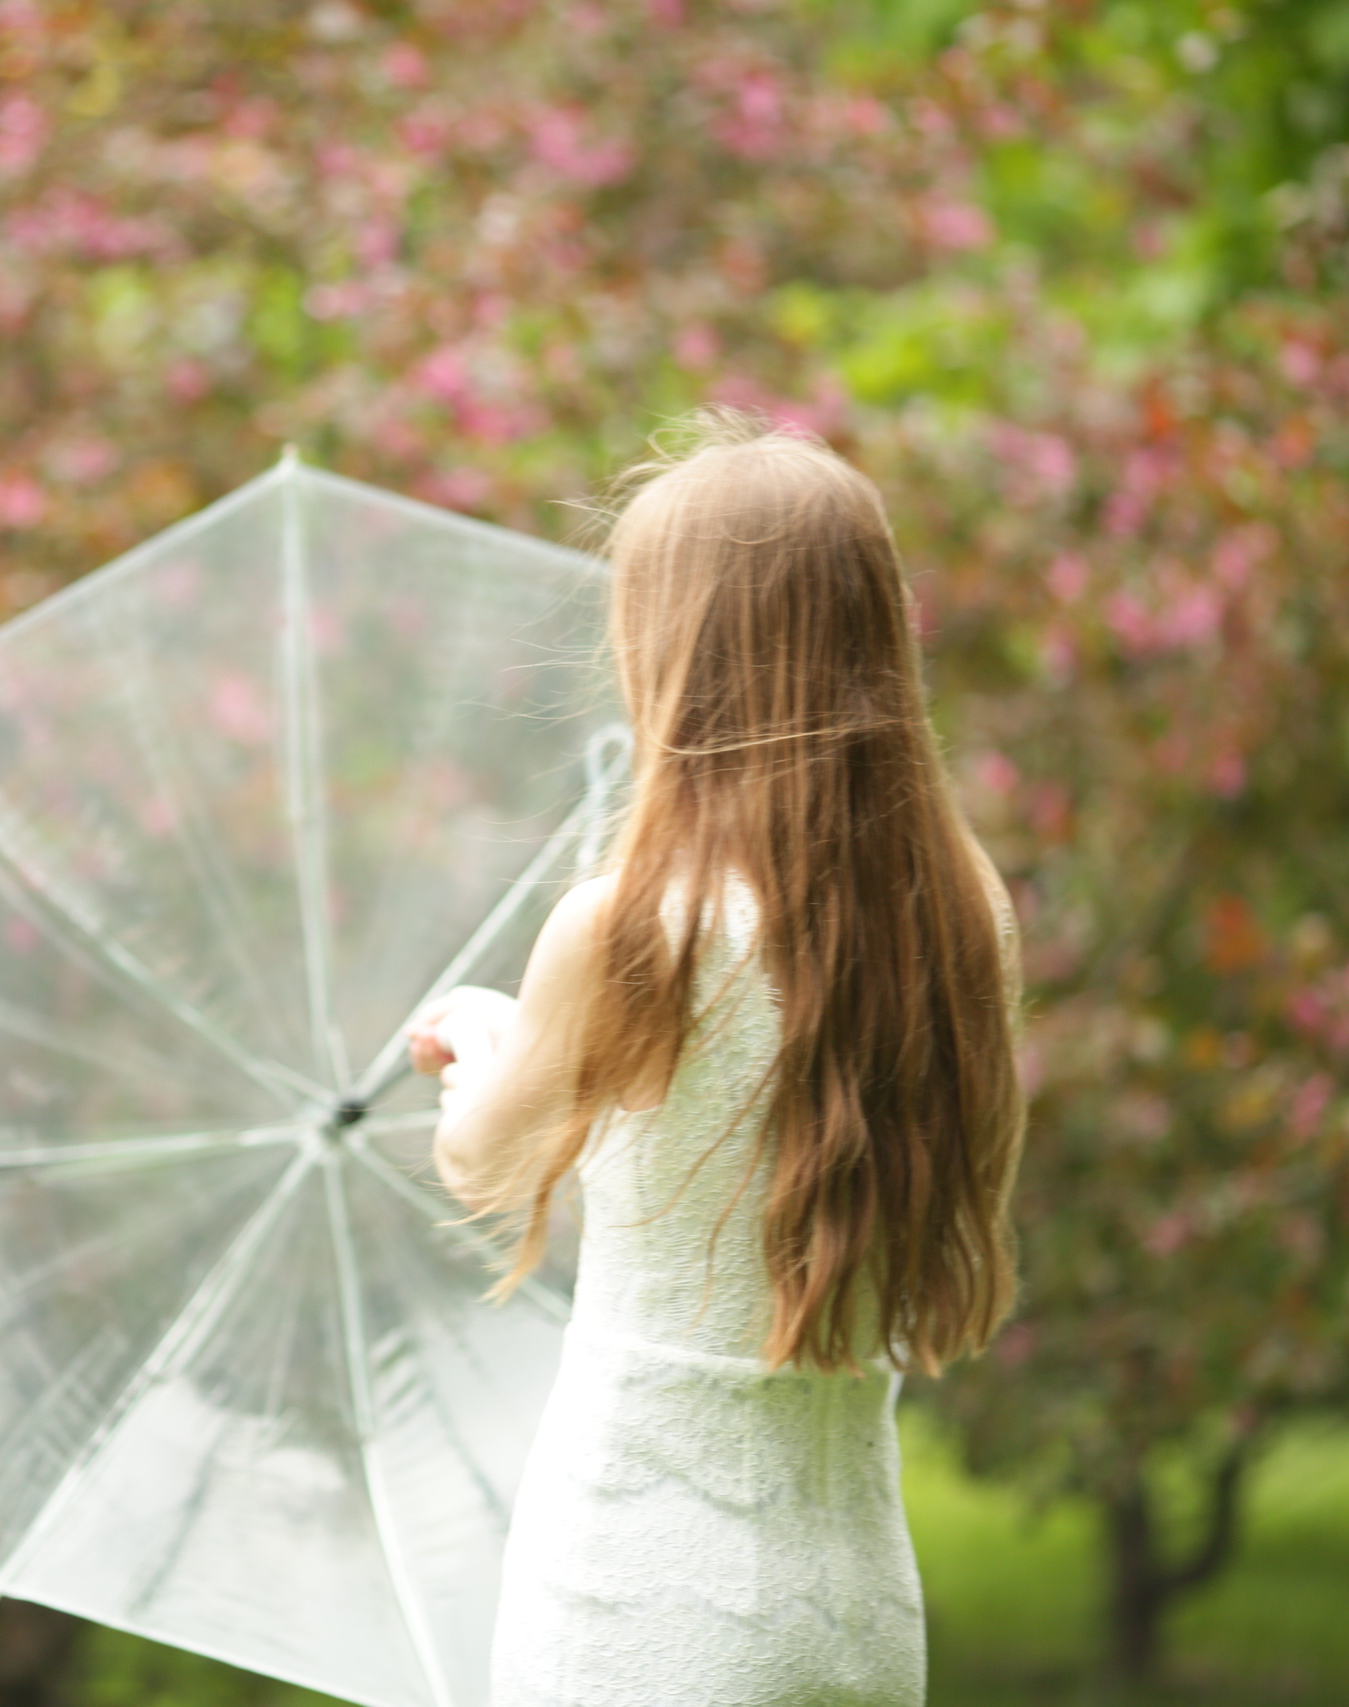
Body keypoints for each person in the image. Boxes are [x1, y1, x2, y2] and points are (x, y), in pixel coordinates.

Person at [408, 410, 1024, 1706]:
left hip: (639, 1588)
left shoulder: (637, 924)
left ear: (676, 648)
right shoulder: (962, 911)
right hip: (854, 1602)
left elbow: (480, 1152)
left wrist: (477, 1030)